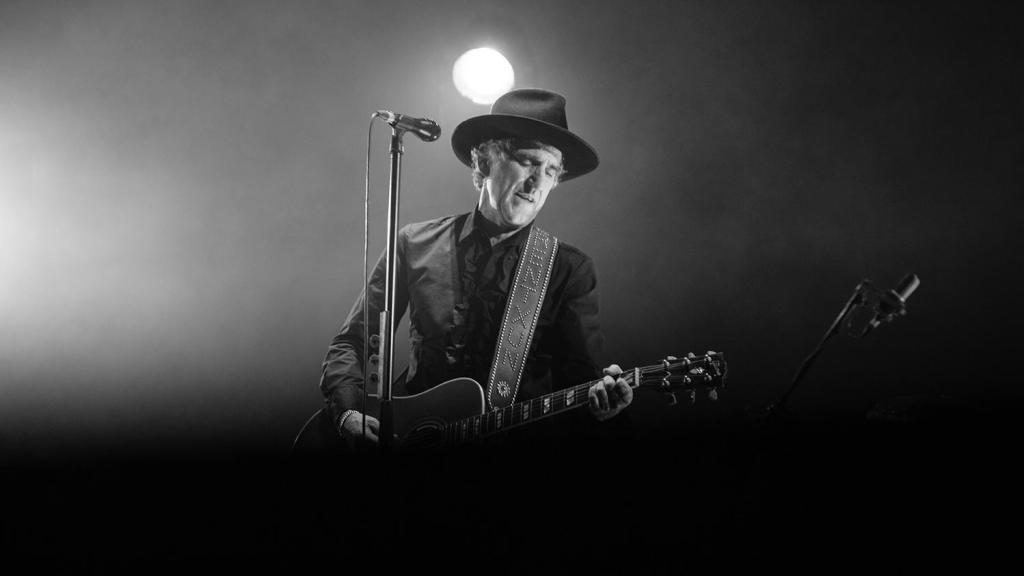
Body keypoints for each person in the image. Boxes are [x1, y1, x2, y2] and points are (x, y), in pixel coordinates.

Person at [318, 88, 632, 452]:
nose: (537, 182)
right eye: (528, 161)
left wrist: (604, 407)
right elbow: (353, 342)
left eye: (550, 171)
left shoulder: (569, 269)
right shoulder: (414, 243)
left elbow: (582, 383)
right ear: (483, 163)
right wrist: (348, 414)